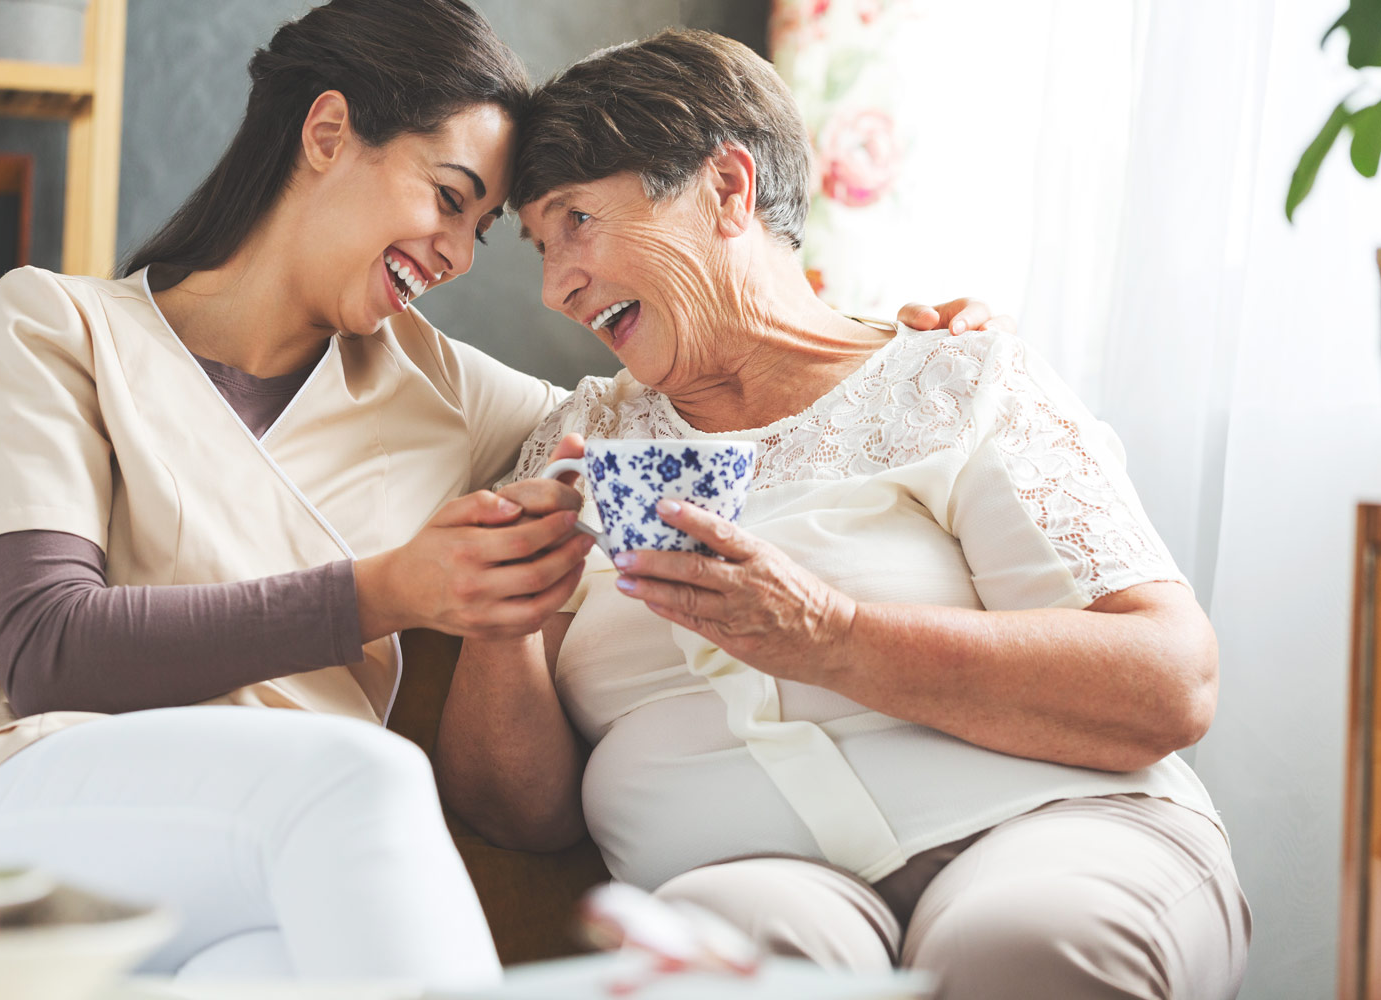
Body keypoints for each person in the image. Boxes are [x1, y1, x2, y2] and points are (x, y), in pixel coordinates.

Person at [0, 1, 997, 985]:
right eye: (448, 197)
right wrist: (384, 591)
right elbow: (51, 648)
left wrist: (867, 346)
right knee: (364, 777)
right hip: (38, 798)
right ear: (328, 131)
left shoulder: (454, 396)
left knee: (262, 975)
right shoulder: (58, 326)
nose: (457, 255)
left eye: (480, 233)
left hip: (257, 869)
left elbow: (681, 393)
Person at [435, 28, 1252, 1000]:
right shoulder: (573, 447)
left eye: (577, 221)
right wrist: (503, 626)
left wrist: (831, 635)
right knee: (725, 962)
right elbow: (519, 815)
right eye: (539, 242)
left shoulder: (955, 377)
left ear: (728, 188)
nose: (555, 284)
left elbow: (1166, 685)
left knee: (1024, 943)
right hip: (752, 878)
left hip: (1052, 825)